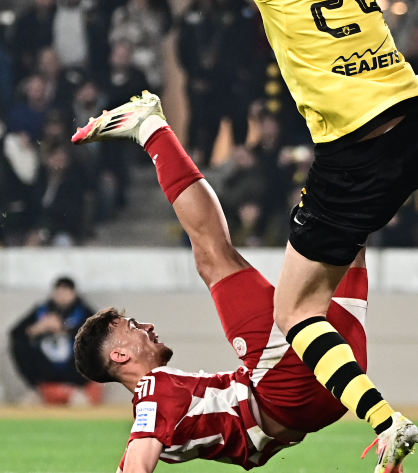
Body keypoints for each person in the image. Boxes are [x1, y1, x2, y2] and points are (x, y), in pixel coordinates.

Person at [70, 0, 418, 468]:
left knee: (289, 306)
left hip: (352, 160)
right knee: (222, 257)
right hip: (413, 124)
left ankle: (385, 419)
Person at [71, 92, 372, 473]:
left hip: (321, 387)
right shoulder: (151, 394)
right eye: (131, 327)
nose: (147, 326)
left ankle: (384, 129)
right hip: (290, 383)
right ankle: (149, 127)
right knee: (213, 257)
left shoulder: (152, 408)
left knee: (352, 225)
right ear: (119, 356)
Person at [9, 277, 103, 405]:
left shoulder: (85, 311)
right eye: (59, 291)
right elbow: (16, 333)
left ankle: (79, 389)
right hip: (46, 366)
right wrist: (38, 328)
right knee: (19, 344)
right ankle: (37, 390)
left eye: (66, 291)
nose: (62, 296)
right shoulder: (42, 310)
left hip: (74, 367)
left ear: (74, 293)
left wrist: (64, 329)